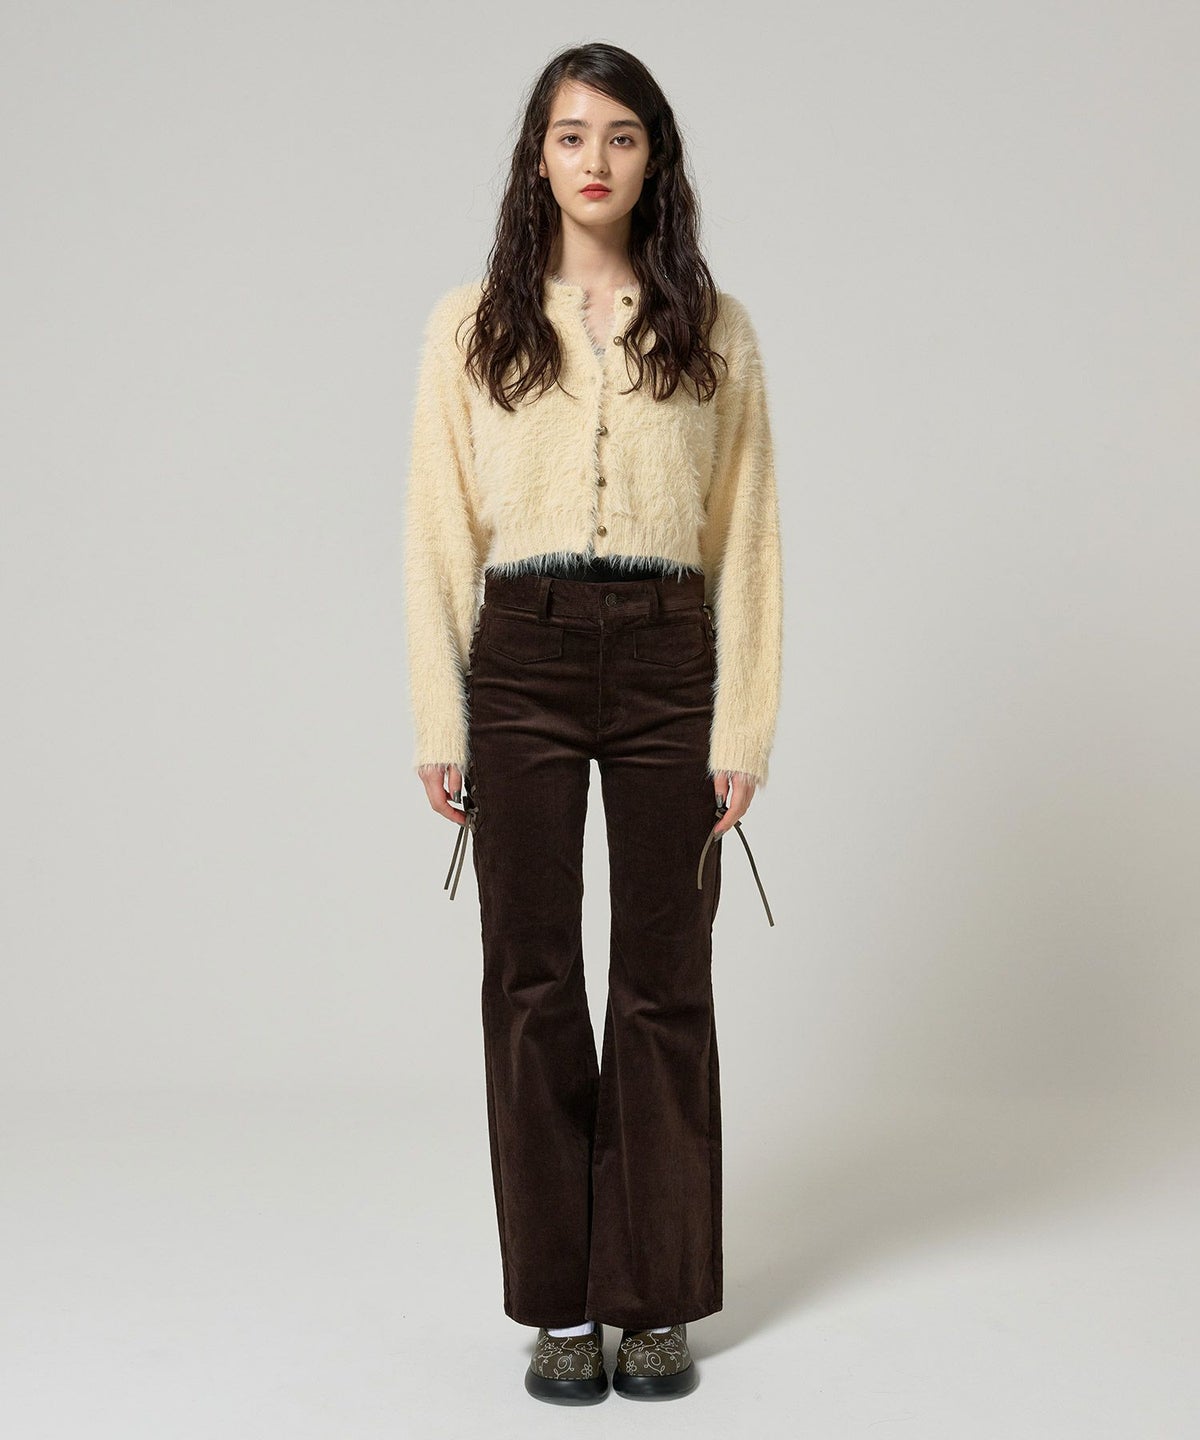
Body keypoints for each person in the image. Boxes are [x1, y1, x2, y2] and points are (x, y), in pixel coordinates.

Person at [403, 41, 783, 1404]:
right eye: (571, 135)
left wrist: (744, 725)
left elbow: (749, 538)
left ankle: (654, 1296)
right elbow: (437, 530)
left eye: (621, 135)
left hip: (674, 660)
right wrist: (440, 713)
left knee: (665, 983)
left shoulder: (713, 327)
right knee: (531, 981)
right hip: (522, 658)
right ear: (538, 158)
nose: (595, 159)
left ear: (653, 158)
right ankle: (560, 1305)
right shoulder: (472, 326)